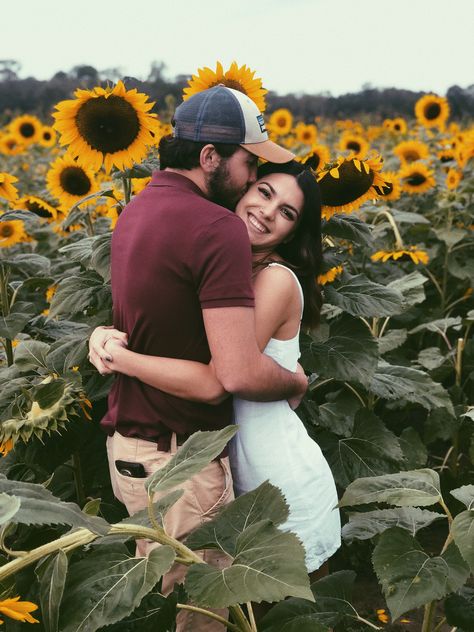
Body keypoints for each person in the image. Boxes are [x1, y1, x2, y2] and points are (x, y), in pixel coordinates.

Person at [89, 85, 309, 632]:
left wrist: (113, 349)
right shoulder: (216, 229)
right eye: (248, 162)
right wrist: (292, 380)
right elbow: (227, 378)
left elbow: (145, 323)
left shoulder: (136, 210)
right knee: (201, 618)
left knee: (164, 608)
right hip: (179, 461)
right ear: (210, 158)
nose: (250, 172)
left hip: (131, 450)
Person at [90, 160, 341, 583]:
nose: (267, 211)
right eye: (264, 192)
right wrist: (100, 333)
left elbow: (224, 372)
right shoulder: (226, 266)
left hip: (276, 477)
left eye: (287, 212)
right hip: (227, 472)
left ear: (294, 233)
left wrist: (120, 358)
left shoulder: (274, 279)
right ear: (242, 190)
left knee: (285, 612)